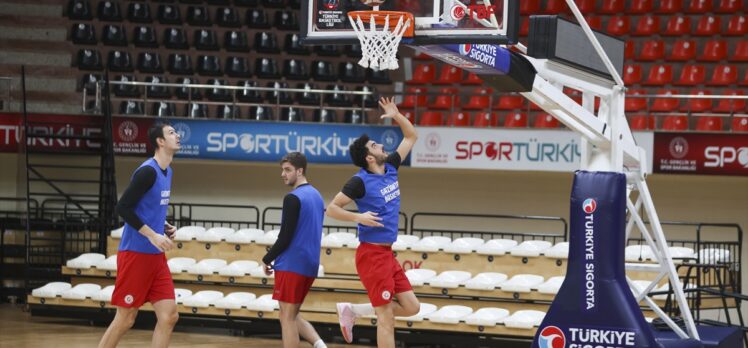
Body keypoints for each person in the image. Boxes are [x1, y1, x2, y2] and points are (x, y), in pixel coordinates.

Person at [326, 97, 420, 348]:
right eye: (374, 145)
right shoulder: (359, 182)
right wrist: (358, 217)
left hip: (387, 254)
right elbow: (332, 208)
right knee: (386, 318)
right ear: (369, 157)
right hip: (372, 255)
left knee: (412, 307)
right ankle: (357, 311)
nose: (380, 145)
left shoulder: (390, 166)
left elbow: (411, 137)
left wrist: (396, 115)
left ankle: (353, 310)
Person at [98, 123, 180, 348]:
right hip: (136, 254)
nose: (177, 135)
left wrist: (163, 225)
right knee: (125, 319)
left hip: (156, 258)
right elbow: (123, 207)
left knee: (169, 316)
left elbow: (146, 206)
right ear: (160, 142)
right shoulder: (147, 171)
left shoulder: (168, 171)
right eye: (171, 133)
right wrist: (153, 235)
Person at [262, 152, 327, 348]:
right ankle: (320, 345)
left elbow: (285, 237)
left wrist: (267, 258)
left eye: (288, 170)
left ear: (300, 171)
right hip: (310, 264)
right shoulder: (317, 195)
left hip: (292, 264)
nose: (283, 174)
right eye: (282, 169)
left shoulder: (293, 198)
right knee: (292, 314)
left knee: (287, 318)